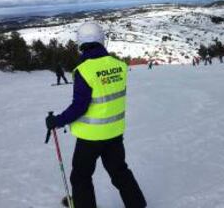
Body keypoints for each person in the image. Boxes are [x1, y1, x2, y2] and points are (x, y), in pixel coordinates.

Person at [45, 22, 147, 208]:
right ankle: (137, 204)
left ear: (81, 43)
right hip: (114, 133)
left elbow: (80, 107)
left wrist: (57, 121)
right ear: (101, 40)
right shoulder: (119, 66)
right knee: (119, 171)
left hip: (90, 137)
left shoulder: (84, 70)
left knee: (81, 176)